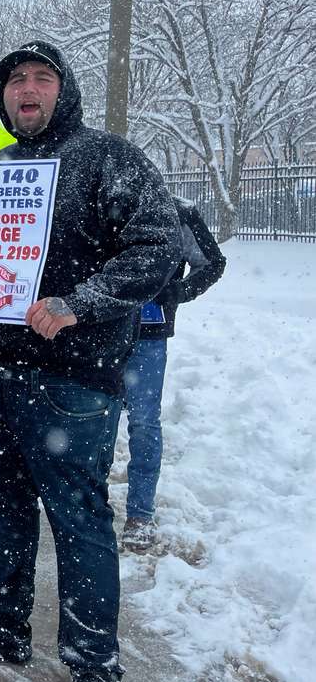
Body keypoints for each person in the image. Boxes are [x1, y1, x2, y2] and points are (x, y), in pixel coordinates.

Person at [0, 40, 180, 682]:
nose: (27, 89)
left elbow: (161, 248)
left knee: (80, 518)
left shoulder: (108, 158)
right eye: (16, 81)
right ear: (4, 98)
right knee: (2, 501)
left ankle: (94, 664)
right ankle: (2, 626)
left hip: (72, 379)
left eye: (41, 78)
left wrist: (79, 303)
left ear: (64, 91)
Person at [121, 197, 225, 552]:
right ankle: (90, 506)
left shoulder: (177, 212)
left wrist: (177, 292)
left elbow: (212, 262)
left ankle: (140, 514)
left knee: (144, 422)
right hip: (97, 333)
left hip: (149, 334)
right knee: (94, 419)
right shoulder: (100, 204)